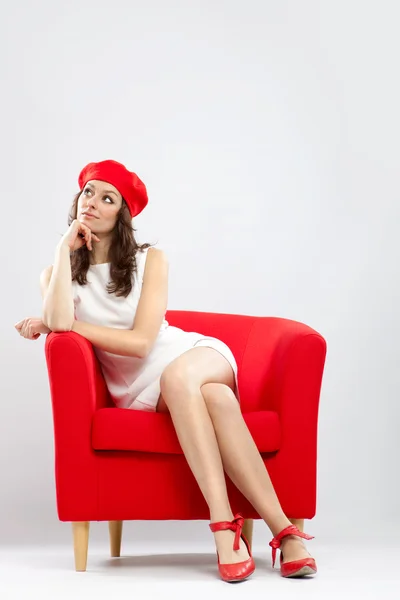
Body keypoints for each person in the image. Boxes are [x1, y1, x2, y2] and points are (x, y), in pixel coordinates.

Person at [15, 159, 317, 582]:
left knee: (183, 378)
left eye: (108, 198)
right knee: (217, 398)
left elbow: (140, 343)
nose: (93, 203)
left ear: (122, 214)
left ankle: (222, 525)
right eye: (88, 192)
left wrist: (58, 324)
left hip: (193, 355)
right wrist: (62, 251)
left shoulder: (150, 260)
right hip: (142, 389)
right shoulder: (57, 272)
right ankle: (285, 532)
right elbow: (62, 318)